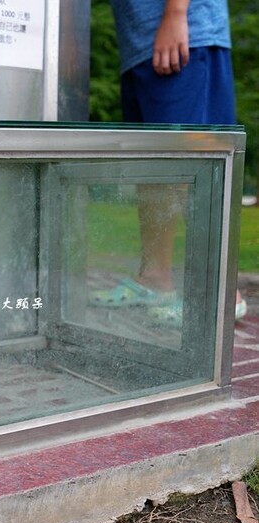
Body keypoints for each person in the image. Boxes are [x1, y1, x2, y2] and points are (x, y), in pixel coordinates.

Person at [89, 0, 247, 323]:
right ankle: (154, 279)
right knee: (155, 169)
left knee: (194, 166)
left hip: (184, 32)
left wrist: (176, 12)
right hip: (142, 42)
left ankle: (223, 294)